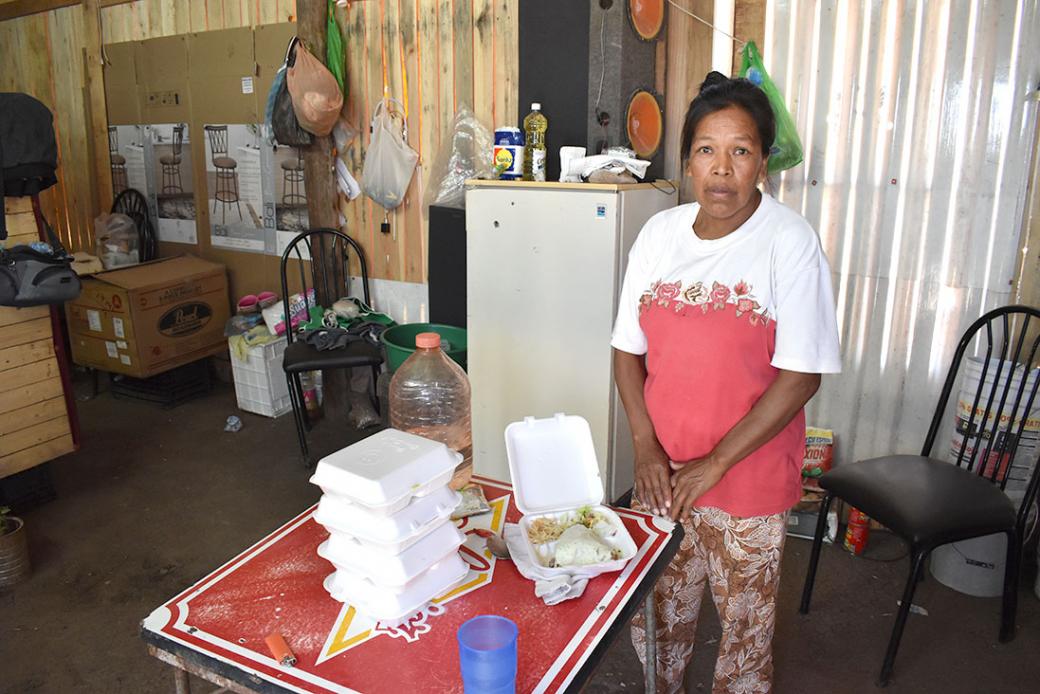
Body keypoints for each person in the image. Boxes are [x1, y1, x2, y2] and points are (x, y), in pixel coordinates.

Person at [611, 71, 842, 693]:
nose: (721, 168)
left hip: (748, 483)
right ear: (688, 160)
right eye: (706, 150)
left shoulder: (789, 242)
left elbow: (801, 377)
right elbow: (627, 352)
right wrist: (644, 447)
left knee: (743, 638)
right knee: (658, 622)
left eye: (740, 150)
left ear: (762, 162)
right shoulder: (659, 235)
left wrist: (713, 464)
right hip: (663, 477)